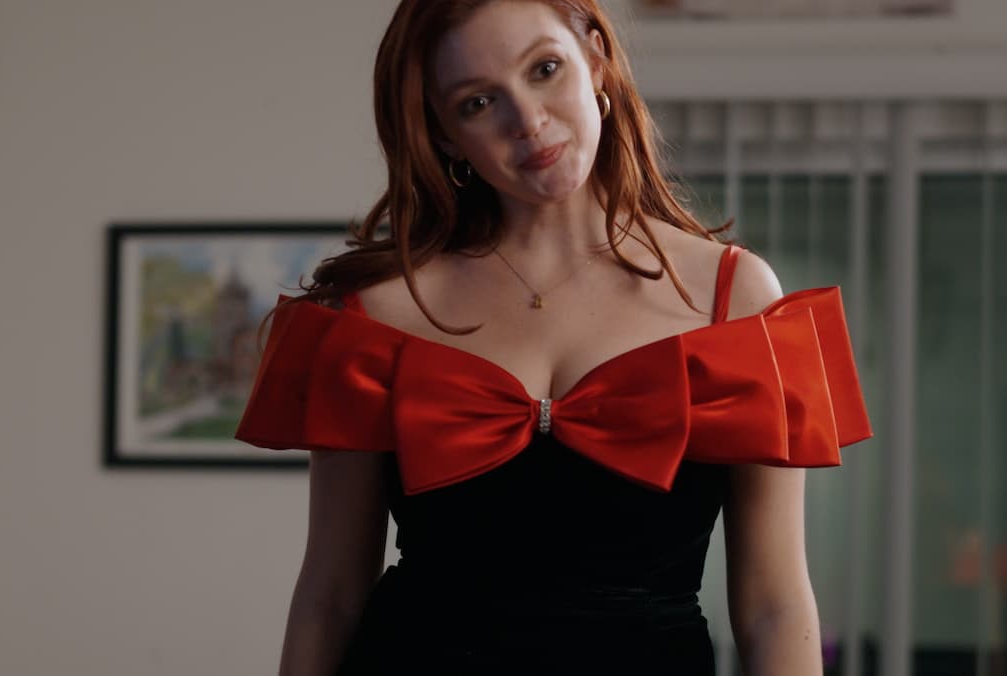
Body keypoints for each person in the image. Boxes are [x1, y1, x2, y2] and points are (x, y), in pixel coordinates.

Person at [234, 1, 872, 673]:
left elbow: (775, 606)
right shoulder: (375, 312)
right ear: (444, 135)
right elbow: (331, 596)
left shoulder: (735, 298)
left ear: (596, 58)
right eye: (479, 102)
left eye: (544, 69)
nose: (528, 120)